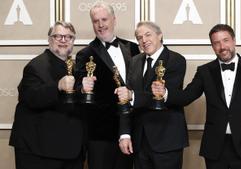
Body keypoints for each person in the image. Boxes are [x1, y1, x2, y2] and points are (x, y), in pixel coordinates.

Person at [152, 24, 241, 169]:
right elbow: (187, 96)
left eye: (225, 40)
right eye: (216, 43)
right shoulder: (205, 71)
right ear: (212, 46)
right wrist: (165, 93)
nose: (222, 46)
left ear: (234, 41)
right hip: (215, 147)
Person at [9, 21, 84, 169]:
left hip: (69, 150)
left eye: (69, 37)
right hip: (39, 152)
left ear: (73, 41)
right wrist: (57, 86)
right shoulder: (35, 66)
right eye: (58, 36)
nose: (64, 40)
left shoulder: (74, 67)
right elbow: (30, 97)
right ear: (49, 39)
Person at [74, 2, 140, 169]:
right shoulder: (85, 54)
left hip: (133, 129)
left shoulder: (133, 48)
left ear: (114, 20)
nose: (101, 25)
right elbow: (79, 90)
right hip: (100, 134)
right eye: (96, 21)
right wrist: (82, 88)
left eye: (104, 19)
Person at [115, 21, 188, 169]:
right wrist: (125, 134)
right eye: (139, 37)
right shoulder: (135, 61)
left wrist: (132, 95)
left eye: (148, 34)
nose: (144, 40)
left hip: (166, 140)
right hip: (139, 141)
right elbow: (125, 100)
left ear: (160, 35)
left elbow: (159, 97)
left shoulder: (176, 60)